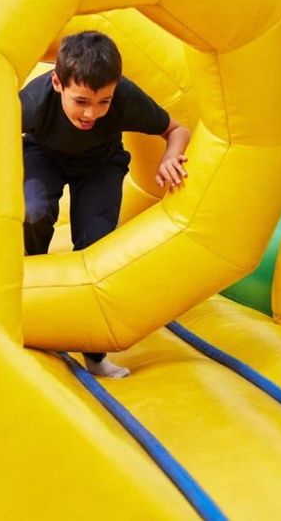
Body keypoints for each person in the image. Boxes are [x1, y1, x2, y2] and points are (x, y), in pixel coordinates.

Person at [22, 31, 191, 378]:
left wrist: (170, 158)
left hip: (100, 164)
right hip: (44, 155)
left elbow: (176, 129)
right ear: (57, 82)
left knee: (96, 245)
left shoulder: (124, 97)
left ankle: (94, 354)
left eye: (103, 102)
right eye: (81, 101)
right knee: (33, 210)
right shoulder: (34, 101)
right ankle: (30, 287)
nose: (92, 113)